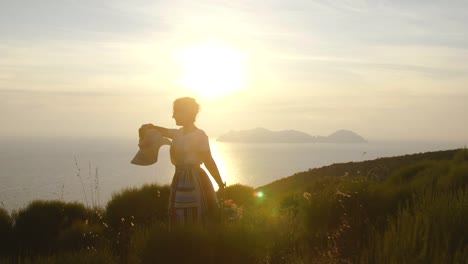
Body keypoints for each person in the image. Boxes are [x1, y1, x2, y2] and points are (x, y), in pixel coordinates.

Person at [139, 97, 225, 226]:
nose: (173, 116)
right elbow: (163, 131)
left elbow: (208, 160)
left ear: (186, 113)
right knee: (181, 214)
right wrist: (151, 127)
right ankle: (183, 239)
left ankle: (192, 240)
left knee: (192, 214)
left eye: (176, 112)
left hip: (195, 181)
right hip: (180, 179)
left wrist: (220, 183)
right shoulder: (178, 133)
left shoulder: (199, 135)